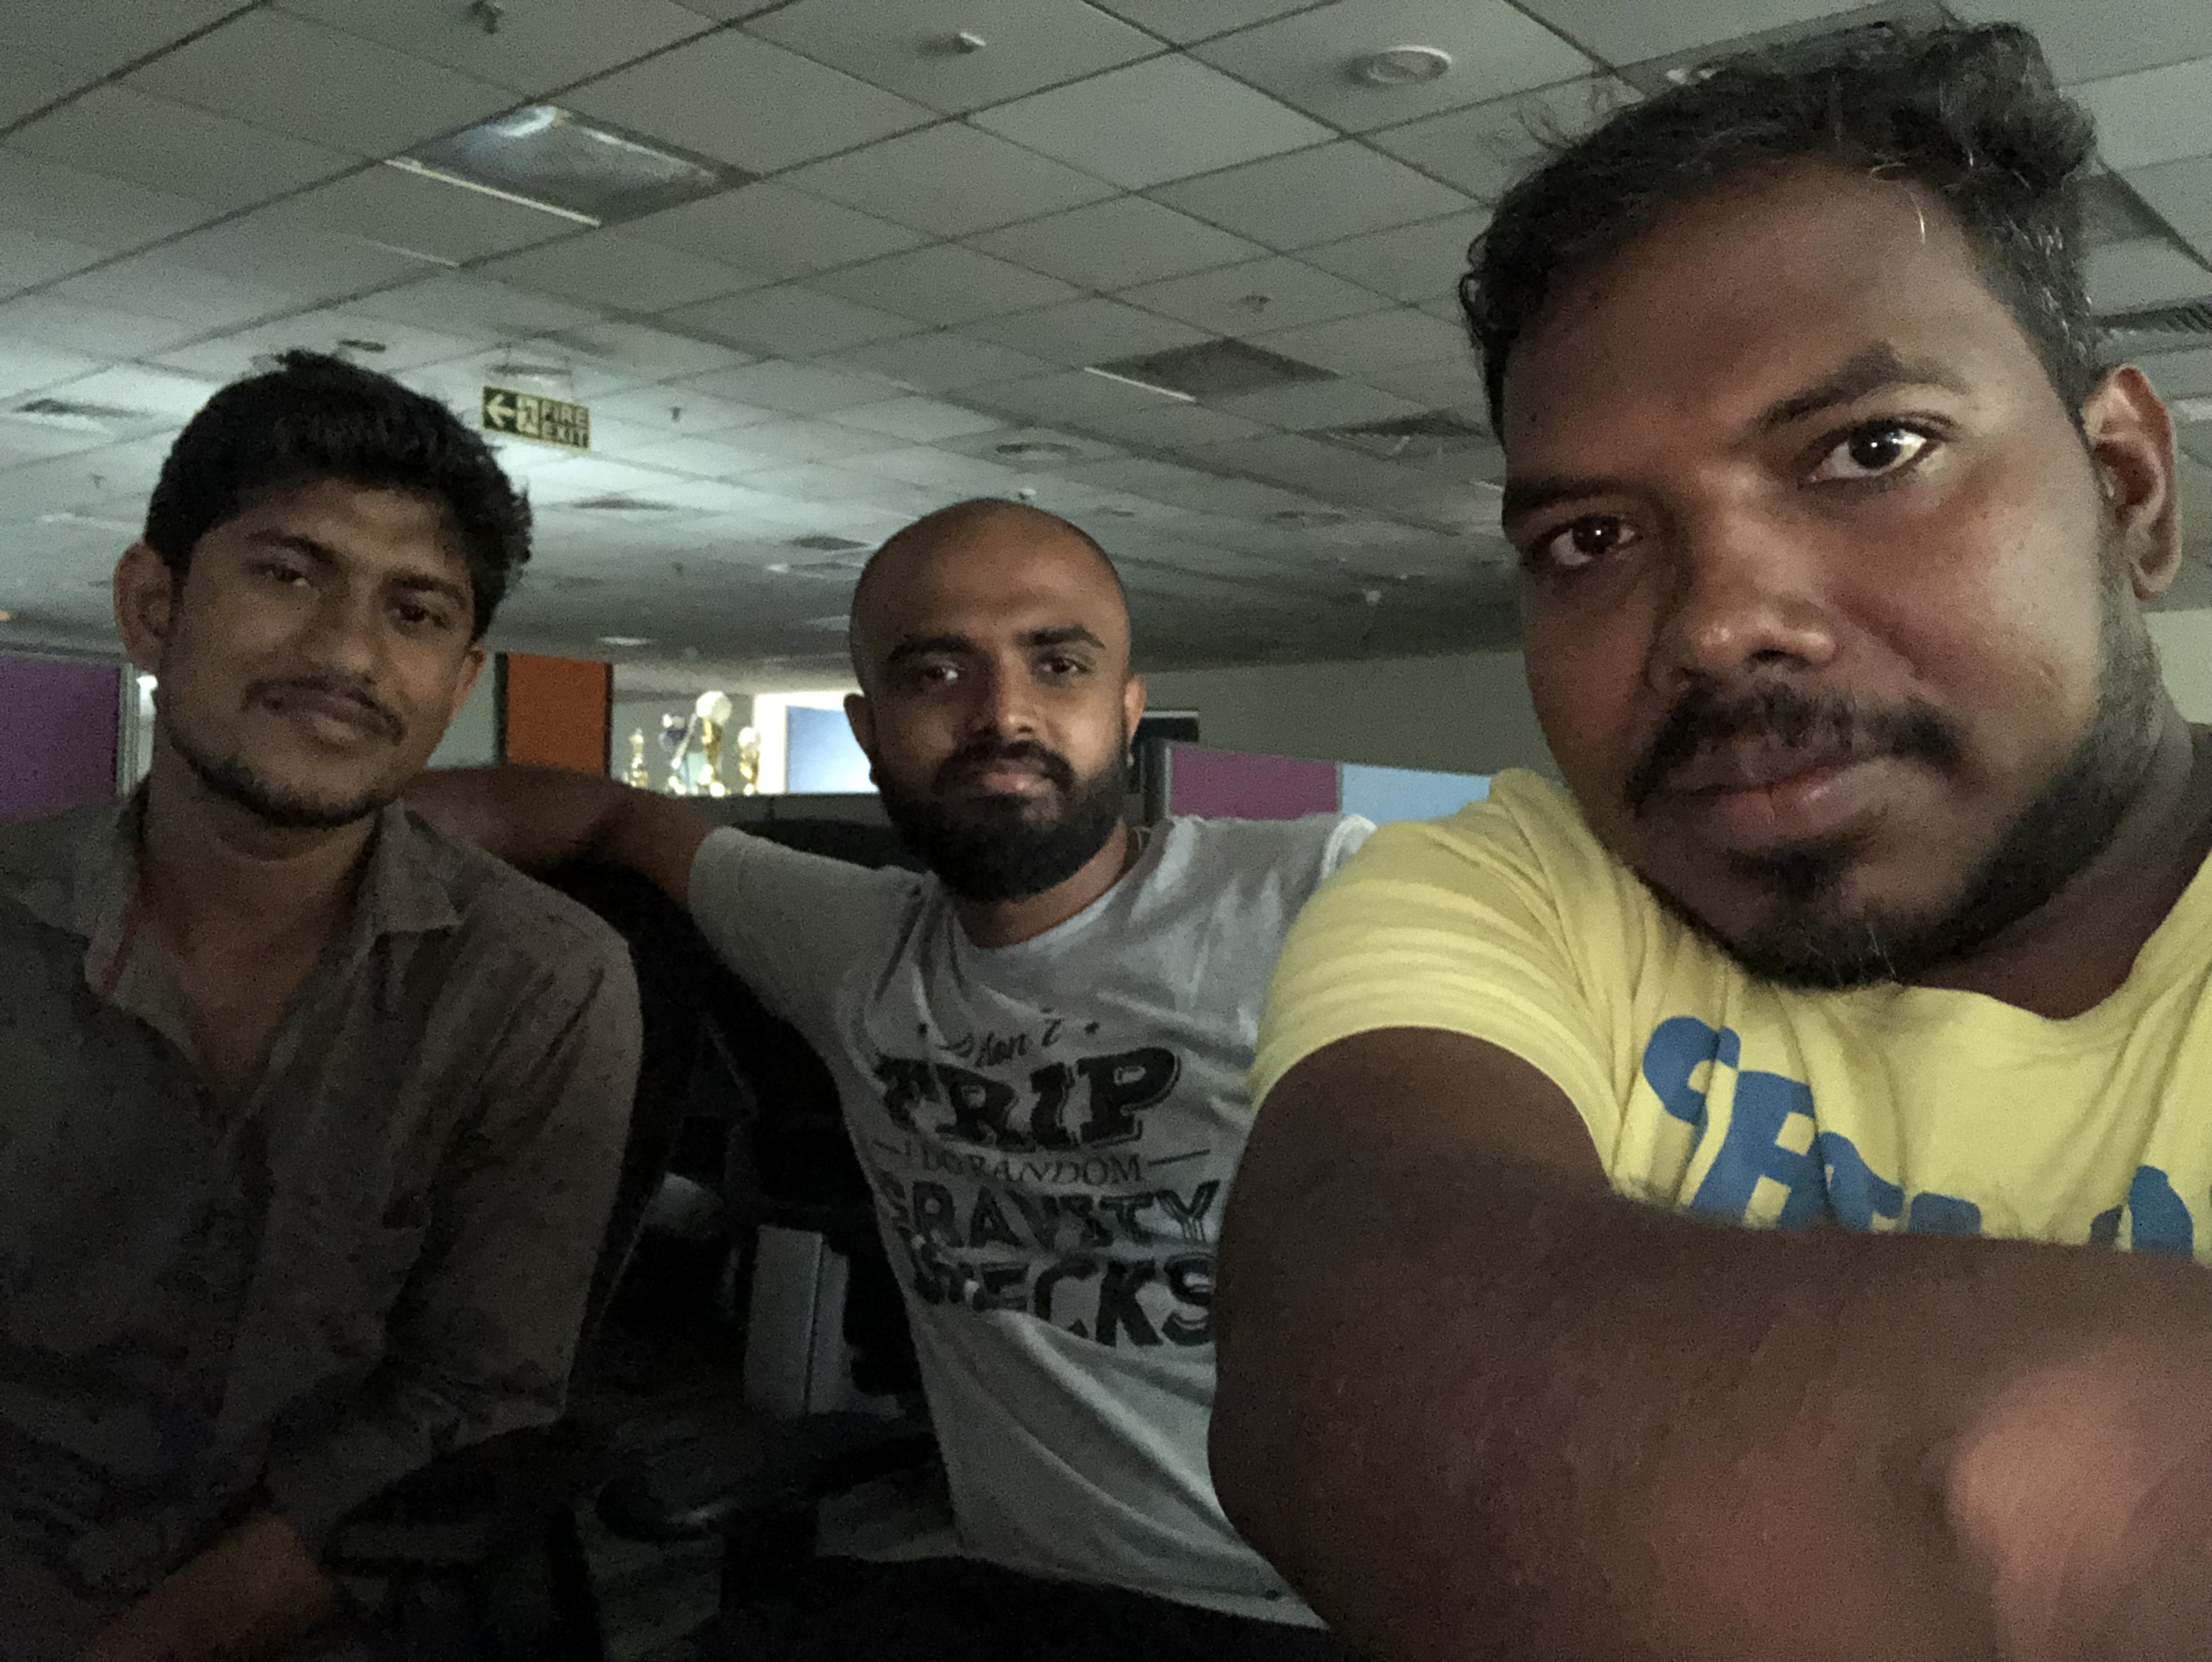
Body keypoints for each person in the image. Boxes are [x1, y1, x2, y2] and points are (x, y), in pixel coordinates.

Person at [1213, 24, 2212, 1662]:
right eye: (1590, 535)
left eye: (1869, 449)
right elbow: (1338, 1360)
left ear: (2124, 486)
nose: (1716, 622)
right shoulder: (1518, 889)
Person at [412, 496, 1368, 1660]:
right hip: (1014, 1603)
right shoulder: (853, 943)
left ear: (1125, 712)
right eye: (935, 673)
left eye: (1057, 663)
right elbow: (605, 813)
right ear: (869, 729)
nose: (1002, 713)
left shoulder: (1317, 895)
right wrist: (297, 835)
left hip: (1325, 1614)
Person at [0, 352, 642, 1662]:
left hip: (320, 1604)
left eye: (415, 611)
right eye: (288, 575)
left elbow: (468, 1402)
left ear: (457, 682)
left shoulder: (537, 983)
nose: (348, 653)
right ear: (152, 606)